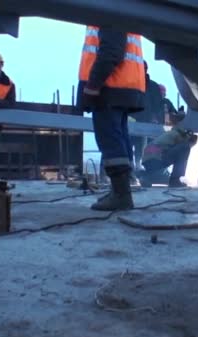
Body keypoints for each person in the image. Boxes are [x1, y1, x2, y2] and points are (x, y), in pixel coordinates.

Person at [77, 26, 145, 211]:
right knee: (119, 138)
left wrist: (92, 85)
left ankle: (121, 195)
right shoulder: (125, 10)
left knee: (110, 139)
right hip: (122, 86)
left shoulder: (109, 9)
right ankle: (120, 191)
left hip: (110, 86)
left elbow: (111, 51)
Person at [139, 112, 196, 188]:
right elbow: (185, 148)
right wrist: (191, 141)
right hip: (155, 159)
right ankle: (175, 180)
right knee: (185, 147)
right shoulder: (178, 135)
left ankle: (146, 176)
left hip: (148, 161)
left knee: (163, 177)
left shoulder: (172, 133)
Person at [129, 61, 163, 171]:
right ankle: (130, 168)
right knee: (129, 145)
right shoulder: (131, 85)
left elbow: (158, 105)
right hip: (131, 122)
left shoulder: (153, 86)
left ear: (146, 69)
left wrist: (155, 118)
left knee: (142, 148)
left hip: (146, 124)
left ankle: (141, 169)